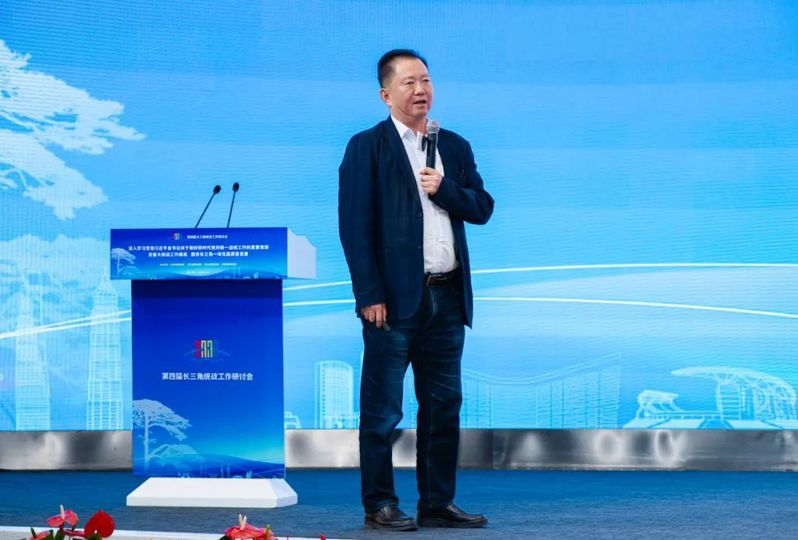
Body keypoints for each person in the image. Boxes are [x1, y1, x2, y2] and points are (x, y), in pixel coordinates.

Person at [338, 49, 494, 531]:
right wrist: (368, 294)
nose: (420, 90)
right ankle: (379, 503)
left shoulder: (454, 146)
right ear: (386, 94)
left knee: (443, 406)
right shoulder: (367, 147)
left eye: (425, 80)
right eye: (408, 82)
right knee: (383, 410)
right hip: (392, 303)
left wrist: (444, 189)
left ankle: (437, 502)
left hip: (447, 298)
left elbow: (482, 207)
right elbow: (354, 228)